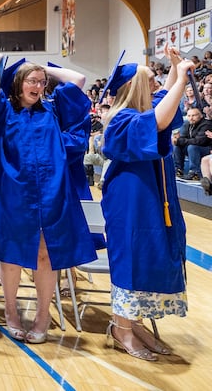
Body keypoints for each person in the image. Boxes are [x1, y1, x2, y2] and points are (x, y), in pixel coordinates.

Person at [0, 55, 96, 343]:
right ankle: (10, 312)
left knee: (46, 256)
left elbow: (78, 81)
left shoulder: (53, 109)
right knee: (11, 257)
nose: (37, 86)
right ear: (18, 84)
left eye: (41, 82)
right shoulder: (3, 112)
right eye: (30, 81)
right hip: (12, 194)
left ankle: (42, 315)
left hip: (52, 192)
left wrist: (40, 67)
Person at [101, 58, 194, 361]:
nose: (157, 84)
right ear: (138, 86)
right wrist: (179, 80)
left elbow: (158, 105)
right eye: (152, 80)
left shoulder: (140, 111)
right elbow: (159, 119)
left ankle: (135, 323)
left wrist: (173, 74)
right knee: (130, 258)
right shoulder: (120, 119)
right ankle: (121, 328)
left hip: (151, 198)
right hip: (130, 202)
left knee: (147, 256)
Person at [171, 107, 212, 179]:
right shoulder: (188, 124)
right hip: (194, 149)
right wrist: (177, 141)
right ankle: (178, 170)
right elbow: (182, 137)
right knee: (178, 146)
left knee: (192, 147)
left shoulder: (206, 124)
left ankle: (195, 172)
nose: (191, 118)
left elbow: (199, 141)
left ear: (201, 115)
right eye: (189, 116)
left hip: (206, 149)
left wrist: (179, 140)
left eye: (194, 115)